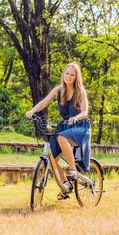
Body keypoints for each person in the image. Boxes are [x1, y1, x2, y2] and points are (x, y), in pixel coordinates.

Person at [26, 61, 91, 200]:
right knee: (50, 162)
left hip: (80, 126)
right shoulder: (58, 90)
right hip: (64, 127)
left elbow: (85, 111)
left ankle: (73, 170)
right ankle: (66, 186)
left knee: (61, 138)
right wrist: (32, 111)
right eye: (67, 73)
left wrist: (77, 117)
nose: (68, 76)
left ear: (76, 77)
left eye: (72, 75)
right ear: (64, 74)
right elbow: (44, 102)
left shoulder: (80, 91)